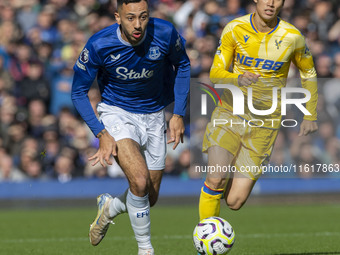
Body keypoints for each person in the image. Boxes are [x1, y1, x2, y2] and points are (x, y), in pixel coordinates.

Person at [71, 0, 190, 254]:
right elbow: (78, 92)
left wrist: (178, 113)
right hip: (117, 113)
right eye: (131, 18)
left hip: (155, 114)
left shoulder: (166, 33)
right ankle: (145, 249)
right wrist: (101, 133)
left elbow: (183, 64)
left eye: (144, 17)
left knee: (149, 197)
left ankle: (110, 207)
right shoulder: (99, 44)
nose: (138, 25)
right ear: (117, 17)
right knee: (138, 180)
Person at [199, 0, 318, 221]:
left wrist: (310, 114)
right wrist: (237, 78)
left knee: (234, 201)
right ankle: (205, 243)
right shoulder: (234, 28)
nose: (271, 3)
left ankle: (216, 192)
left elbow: (308, 73)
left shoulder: (292, 36)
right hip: (230, 112)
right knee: (216, 178)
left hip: (265, 123)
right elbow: (215, 72)